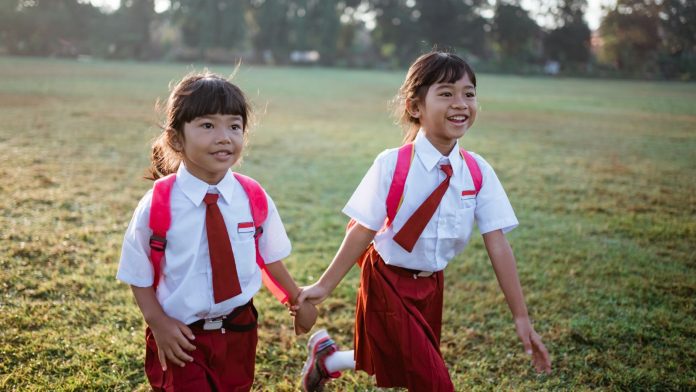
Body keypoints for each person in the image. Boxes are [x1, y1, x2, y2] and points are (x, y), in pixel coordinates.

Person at [295, 51, 552, 392]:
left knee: (396, 355)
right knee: (430, 379)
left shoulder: (477, 171)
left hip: (432, 286)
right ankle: (328, 359)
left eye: (469, 93)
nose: (460, 103)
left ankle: (326, 360)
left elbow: (498, 243)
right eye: (446, 93)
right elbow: (363, 230)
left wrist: (521, 316)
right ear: (415, 107)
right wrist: (323, 287)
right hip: (387, 279)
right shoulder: (392, 164)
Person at [117, 70, 316, 391]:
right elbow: (136, 273)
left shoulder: (252, 196)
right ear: (176, 139)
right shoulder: (159, 203)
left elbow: (269, 258)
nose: (224, 136)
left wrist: (297, 299)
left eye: (234, 126)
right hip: (181, 334)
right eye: (208, 125)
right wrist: (159, 323)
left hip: (240, 328)